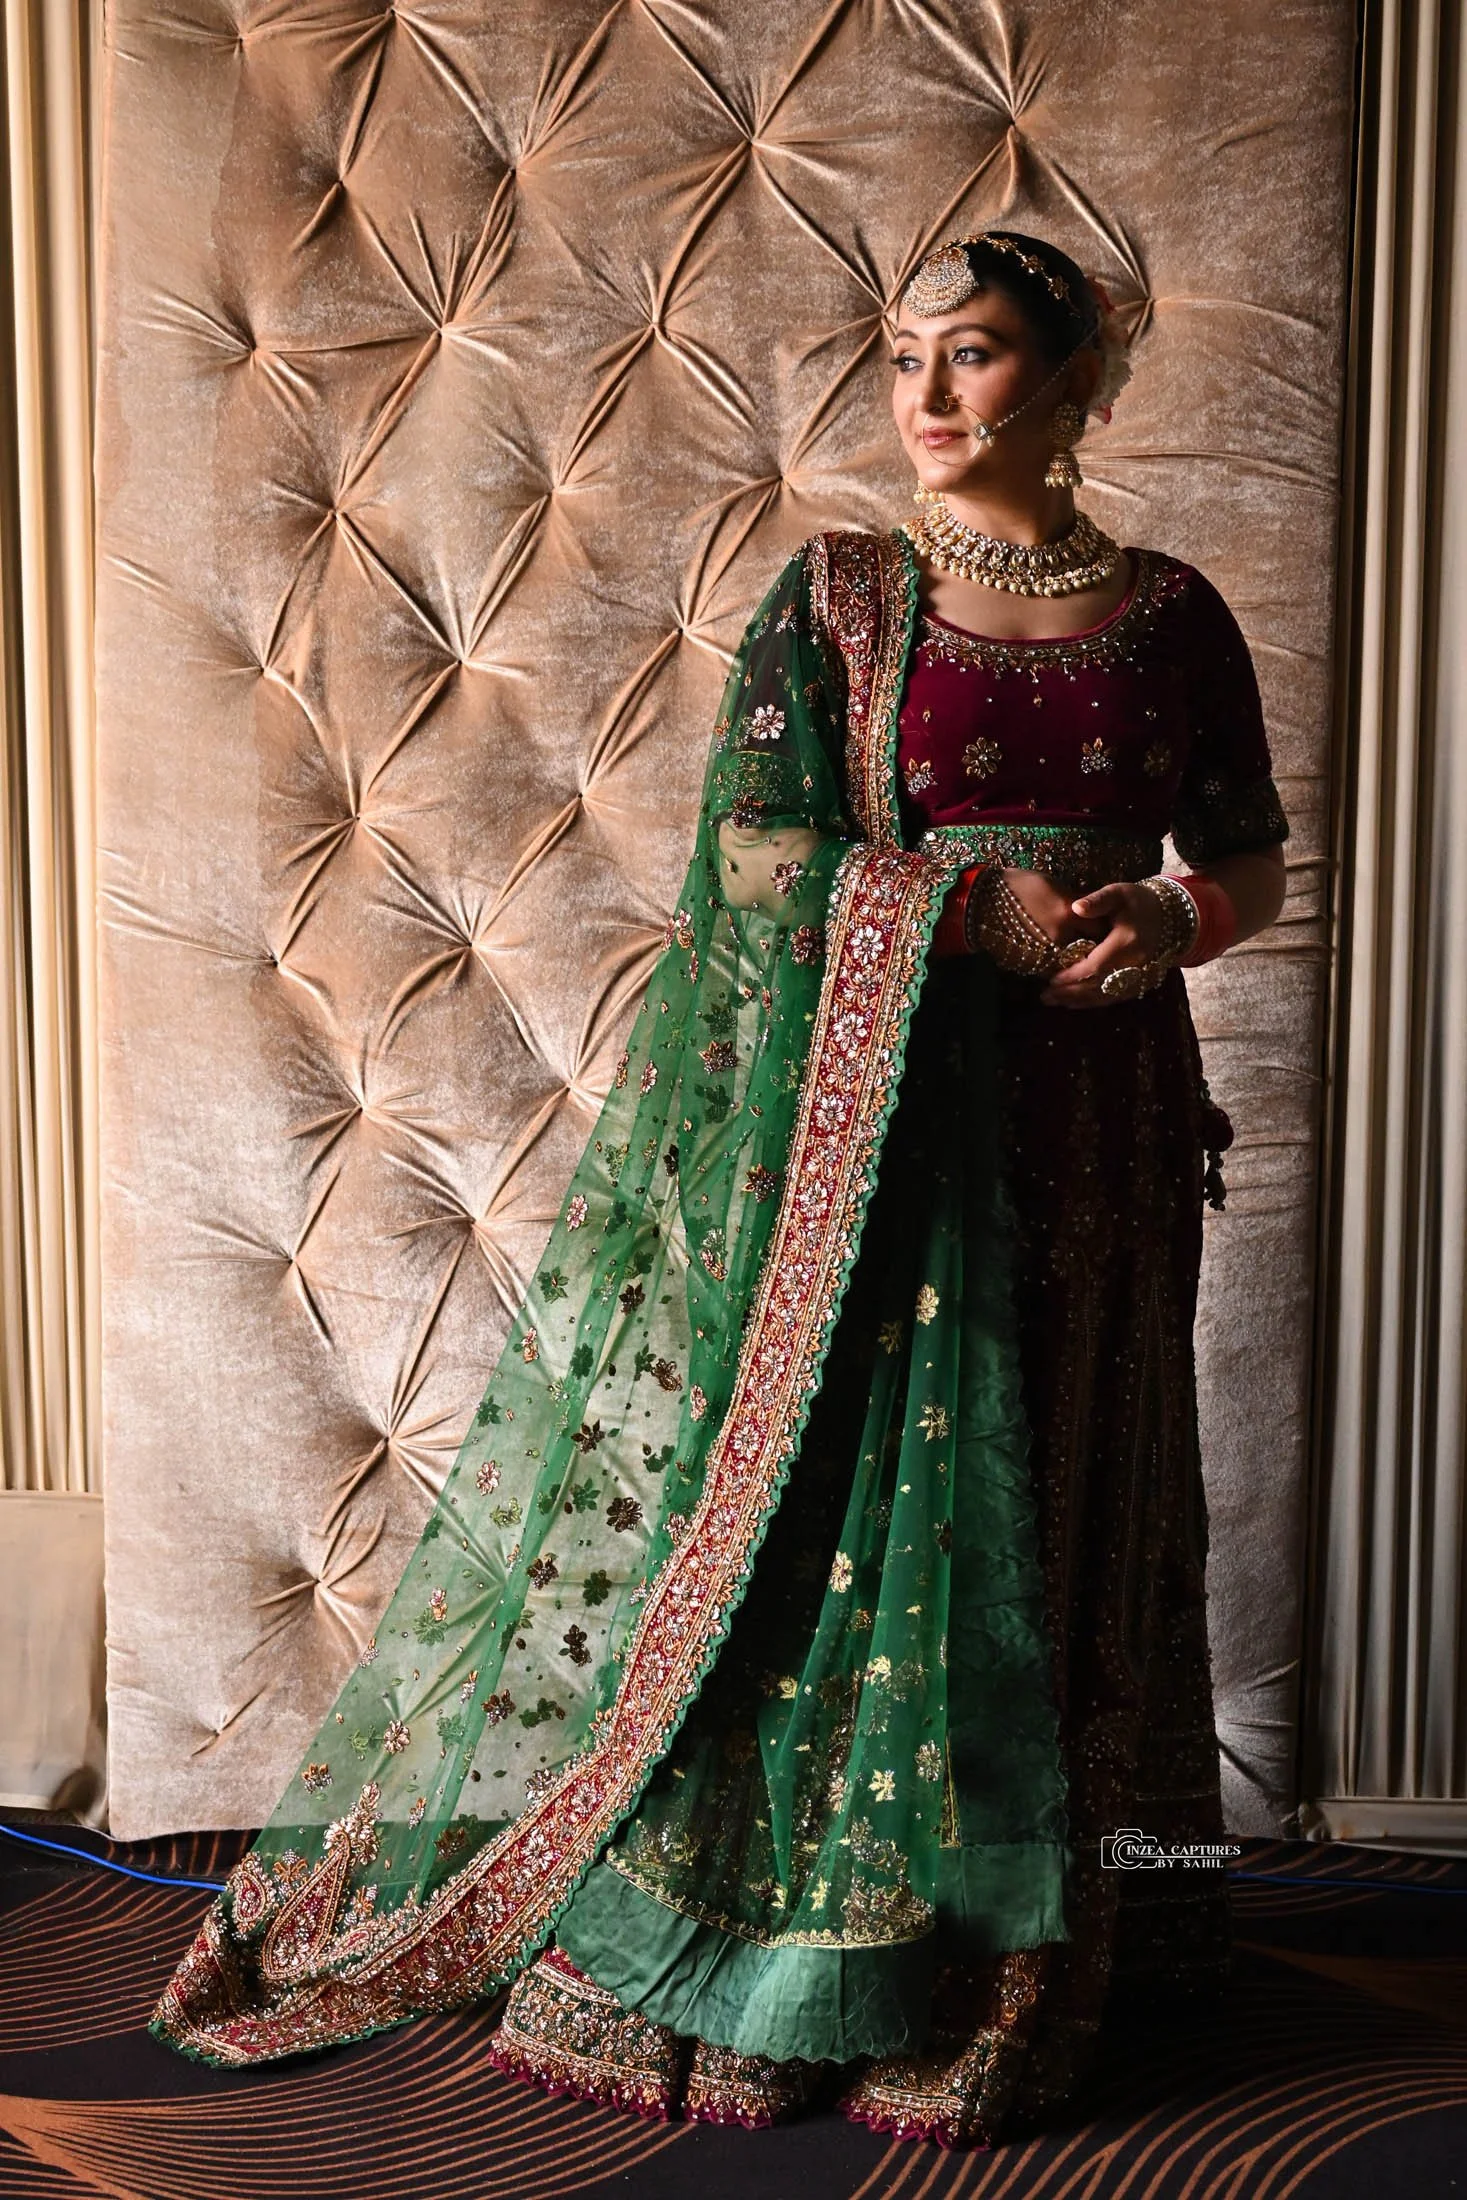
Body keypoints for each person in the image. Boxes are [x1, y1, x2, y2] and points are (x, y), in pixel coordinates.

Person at [152, 229, 1288, 2147]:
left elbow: (1242, 860)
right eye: (907, 354)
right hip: (878, 1151)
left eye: (979, 356)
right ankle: (798, 1958)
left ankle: (1058, 1931)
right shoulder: (838, 600)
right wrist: (959, 906)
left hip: (1100, 1134)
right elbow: (752, 865)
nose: (923, 396)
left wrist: (1163, 925)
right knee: (852, 1525)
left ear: (1078, 383)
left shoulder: (1173, 616)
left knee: (1076, 1503)